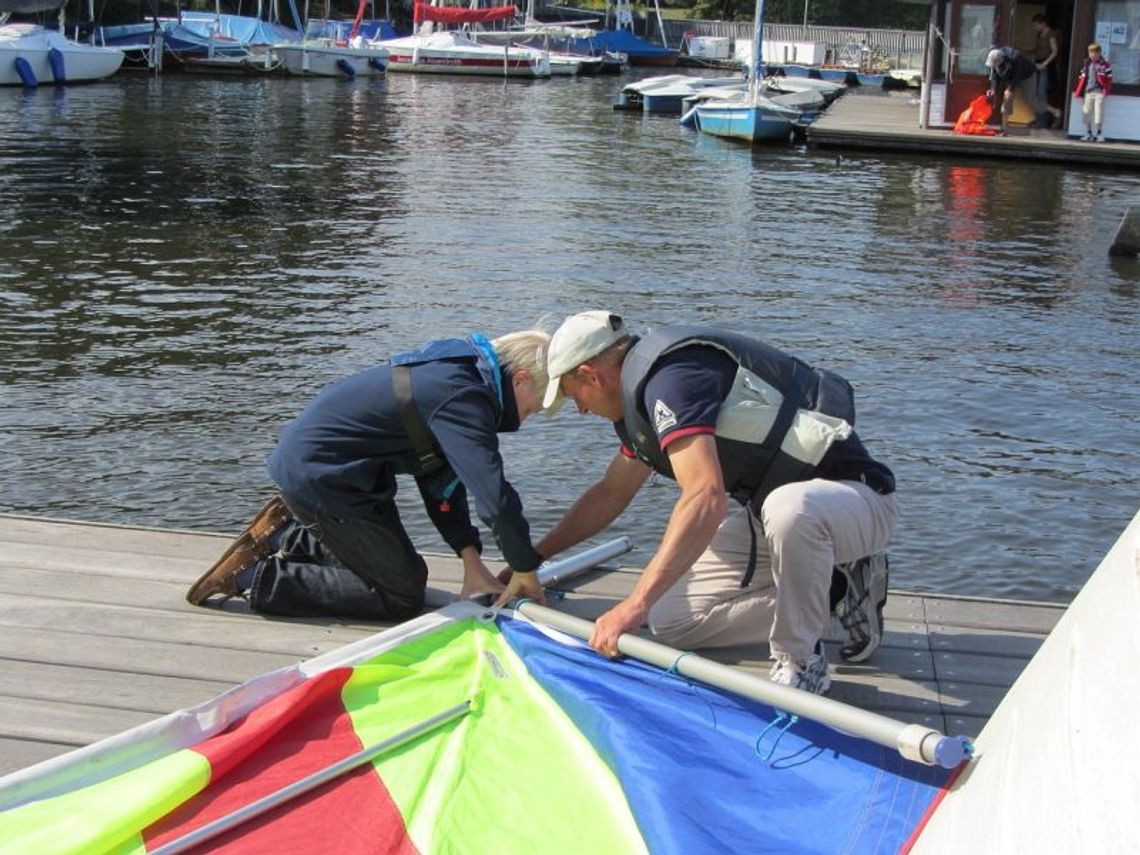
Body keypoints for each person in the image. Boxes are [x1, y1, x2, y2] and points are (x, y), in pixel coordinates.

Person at [498, 312, 898, 695]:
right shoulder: (640, 405)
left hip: (856, 502)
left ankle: (800, 661)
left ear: (591, 375)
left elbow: (705, 497)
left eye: (573, 395)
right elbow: (610, 495)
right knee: (672, 621)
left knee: (787, 508)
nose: (581, 409)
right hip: (775, 518)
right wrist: (530, 559)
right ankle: (839, 589)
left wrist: (633, 604)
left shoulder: (673, 382)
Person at [187, 328, 551, 618]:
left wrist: (472, 564)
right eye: (533, 409)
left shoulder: (460, 377)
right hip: (324, 477)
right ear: (519, 379)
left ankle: (290, 535)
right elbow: (496, 499)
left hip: (341, 476)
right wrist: (524, 569)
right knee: (401, 594)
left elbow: (442, 483)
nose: (525, 420)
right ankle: (253, 577)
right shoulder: (465, 399)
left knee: (406, 573)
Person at [985, 46, 1041, 134]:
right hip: (1010, 76)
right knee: (1007, 101)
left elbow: (1016, 77)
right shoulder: (994, 56)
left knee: (1031, 99)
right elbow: (995, 75)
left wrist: (1009, 89)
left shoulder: (1015, 57)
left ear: (1001, 60)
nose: (994, 66)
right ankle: (1004, 130)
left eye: (995, 64)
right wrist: (993, 89)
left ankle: (1055, 112)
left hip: (1027, 75)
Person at [1074, 42, 1113, 142]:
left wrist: (1106, 90)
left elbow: (1109, 79)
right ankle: (1088, 133)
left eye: (1094, 53)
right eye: (1090, 53)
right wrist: (1079, 90)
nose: (1092, 55)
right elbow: (1082, 77)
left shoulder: (1105, 64)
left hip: (1099, 91)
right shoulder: (1087, 63)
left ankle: (1099, 133)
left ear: (1099, 53)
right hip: (1088, 91)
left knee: (1098, 113)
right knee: (1086, 112)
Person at [1031, 15, 1064, 127]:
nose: (1035, 27)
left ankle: (1043, 121)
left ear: (1043, 23)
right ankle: (1039, 119)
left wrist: (1044, 64)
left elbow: (1055, 51)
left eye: (1036, 25)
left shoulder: (1051, 34)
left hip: (1046, 65)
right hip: (1037, 64)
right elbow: (1036, 50)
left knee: (1041, 93)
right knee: (1035, 94)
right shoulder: (1039, 35)